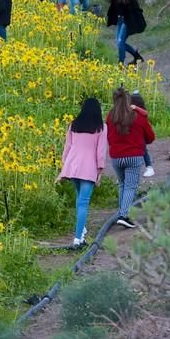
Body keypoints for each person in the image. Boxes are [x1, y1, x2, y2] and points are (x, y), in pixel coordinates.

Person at [56, 98, 107, 247]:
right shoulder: (101, 127)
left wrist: (64, 165)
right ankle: (78, 238)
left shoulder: (74, 125)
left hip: (73, 166)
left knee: (79, 199)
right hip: (88, 167)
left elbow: (67, 147)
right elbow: (101, 151)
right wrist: (100, 171)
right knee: (83, 202)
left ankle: (81, 229)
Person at [106, 87, 155, 228]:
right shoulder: (137, 116)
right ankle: (124, 215)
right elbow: (150, 137)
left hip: (116, 157)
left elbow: (108, 135)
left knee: (122, 184)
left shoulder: (110, 116)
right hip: (134, 156)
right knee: (131, 186)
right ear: (128, 100)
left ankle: (121, 212)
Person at [105, 0, 146, 65]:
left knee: (120, 42)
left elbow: (134, 9)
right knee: (120, 42)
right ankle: (137, 56)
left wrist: (130, 21)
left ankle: (121, 63)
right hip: (120, 20)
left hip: (127, 21)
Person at [130, 91, 155, 177]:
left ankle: (149, 167)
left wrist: (136, 108)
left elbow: (145, 113)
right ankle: (148, 167)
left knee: (144, 151)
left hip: (140, 135)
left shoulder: (141, 112)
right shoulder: (135, 111)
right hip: (135, 134)